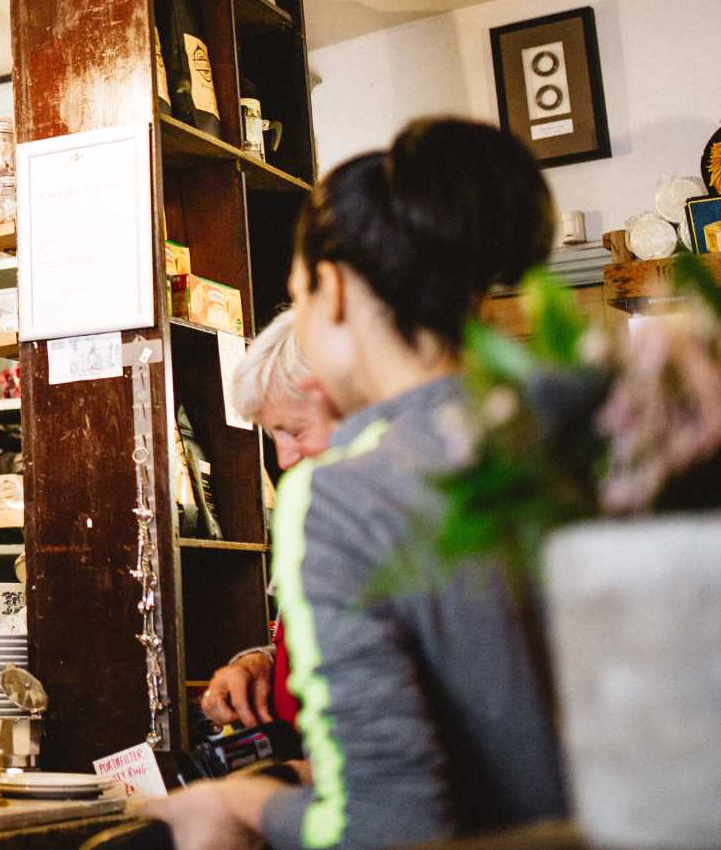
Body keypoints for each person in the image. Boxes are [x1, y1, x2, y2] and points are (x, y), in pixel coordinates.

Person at [148, 117, 567, 850]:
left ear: (332, 291)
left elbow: (389, 826)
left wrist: (238, 805)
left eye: (296, 296)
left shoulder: (345, 494)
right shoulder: (587, 426)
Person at [199, 309, 336, 733]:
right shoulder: (315, 510)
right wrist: (260, 665)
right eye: (274, 436)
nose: (284, 458)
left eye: (295, 430)